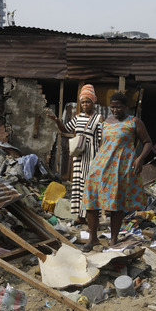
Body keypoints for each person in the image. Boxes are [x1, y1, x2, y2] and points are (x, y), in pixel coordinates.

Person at [83, 91, 152, 250]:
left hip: (120, 168)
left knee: (116, 203)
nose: (115, 110)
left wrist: (140, 158)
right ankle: (92, 238)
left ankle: (113, 240)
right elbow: (104, 145)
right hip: (100, 166)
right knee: (91, 199)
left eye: (118, 107)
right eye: (112, 107)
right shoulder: (106, 122)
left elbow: (148, 142)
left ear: (126, 107)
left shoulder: (134, 122)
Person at [49, 85, 103, 225]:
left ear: (93, 102)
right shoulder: (78, 117)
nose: (85, 105)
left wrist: (101, 160)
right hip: (78, 158)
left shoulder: (99, 118)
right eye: (83, 102)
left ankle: (91, 217)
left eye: (87, 102)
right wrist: (57, 121)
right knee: (78, 186)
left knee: (89, 187)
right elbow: (66, 129)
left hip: (92, 158)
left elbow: (102, 140)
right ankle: (80, 217)